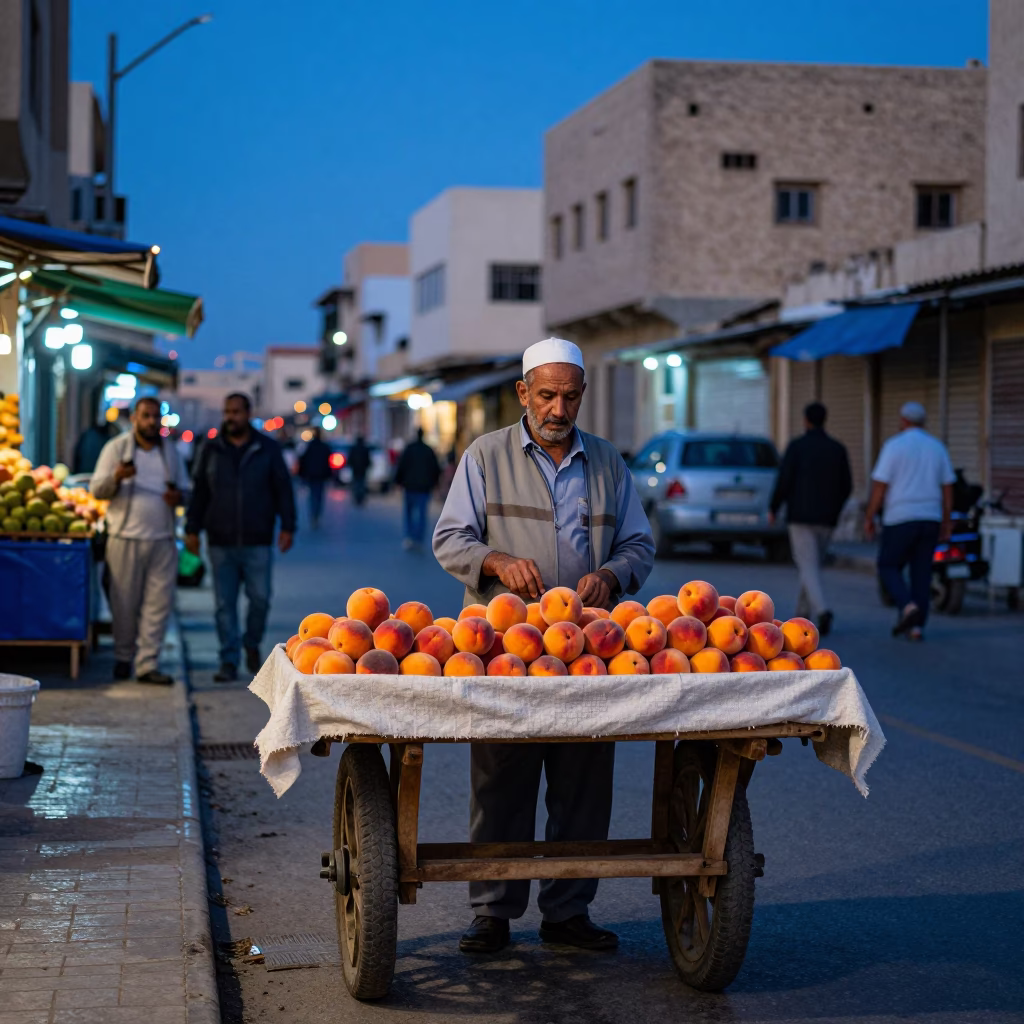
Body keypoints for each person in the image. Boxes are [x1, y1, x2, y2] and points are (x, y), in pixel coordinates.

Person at [433, 337, 656, 956]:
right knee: (501, 778)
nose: (558, 408)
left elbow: (639, 545)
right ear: (523, 393)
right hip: (502, 647)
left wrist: (611, 577)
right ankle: (493, 911)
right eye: (547, 395)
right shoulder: (485, 455)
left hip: (589, 648)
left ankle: (567, 911)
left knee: (583, 780)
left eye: (570, 396)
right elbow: (450, 538)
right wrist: (496, 561)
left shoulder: (608, 463)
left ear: (582, 396)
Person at [184, 393, 296, 682]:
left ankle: (251, 643)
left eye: (236, 411)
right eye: (227, 411)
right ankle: (229, 659)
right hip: (220, 540)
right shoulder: (210, 449)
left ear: (248, 413)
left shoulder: (267, 448)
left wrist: (288, 526)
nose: (231, 417)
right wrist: (192, 529)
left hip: (258, 538)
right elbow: (199, 492)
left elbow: (283, 489)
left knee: (260, 599)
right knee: (224, 604)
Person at [91, 396, 190, 684]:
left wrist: (178, 497)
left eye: (155, 417)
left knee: (158, 605)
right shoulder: (117, 448)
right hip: (124, 537)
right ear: (134, 418)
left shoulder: (170, 452)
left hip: (163, 539)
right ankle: (123, 657)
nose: (150, 422)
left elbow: (185, 489)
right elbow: (97, 489)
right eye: (145, 416)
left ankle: (148, 664)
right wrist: (117, 477)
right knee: (124, 603)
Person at [863, 401, 955, 640]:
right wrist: (947, 520)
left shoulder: (894, 446)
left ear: (903, 421)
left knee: (887, 565)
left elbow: (880, 485)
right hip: (930, 519)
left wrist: (870, 516)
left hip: (900, 518)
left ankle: (906, 606)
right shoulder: (937, 447)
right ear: (923, 422)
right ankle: (916, 628)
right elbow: (947, 487)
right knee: (921, 572)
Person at [769, 401, 852, 636]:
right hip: (827, 518)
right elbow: (847, 485)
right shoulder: (837, 448)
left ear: (806, 420)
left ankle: (823, 610)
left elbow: (784, 480)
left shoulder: (797, 447)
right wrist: (835, 509)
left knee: (807, 565)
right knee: (811, 565)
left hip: (801, 517)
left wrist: (774, 507)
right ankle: (802, 614)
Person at [394, 427, 442, 549]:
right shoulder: (428, 450)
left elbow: (401, 466)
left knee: (409, 513)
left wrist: (398, 481)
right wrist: (435, 483)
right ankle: (418, 538)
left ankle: (409, 537)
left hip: (409, 486)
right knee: (421, 514)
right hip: (424, 488)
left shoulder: (409, 449)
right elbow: (435, 468)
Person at [297, 427, 332, 529]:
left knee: (313, 495)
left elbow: (303, 460)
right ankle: (316, 514)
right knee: (319, 495)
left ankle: (314, 514)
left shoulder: (309, 446)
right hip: (320, 475)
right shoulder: (323, 446)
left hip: (312, 475)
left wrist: (302, 474)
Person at [348, 435, 371, 506]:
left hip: (356, 470)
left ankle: (357, 497)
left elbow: (350, 459)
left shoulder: (354, 448)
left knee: (357, 483)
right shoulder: (364, 448)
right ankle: (360, 497)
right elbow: (368, 460)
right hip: (362, 470)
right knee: (361, 483)